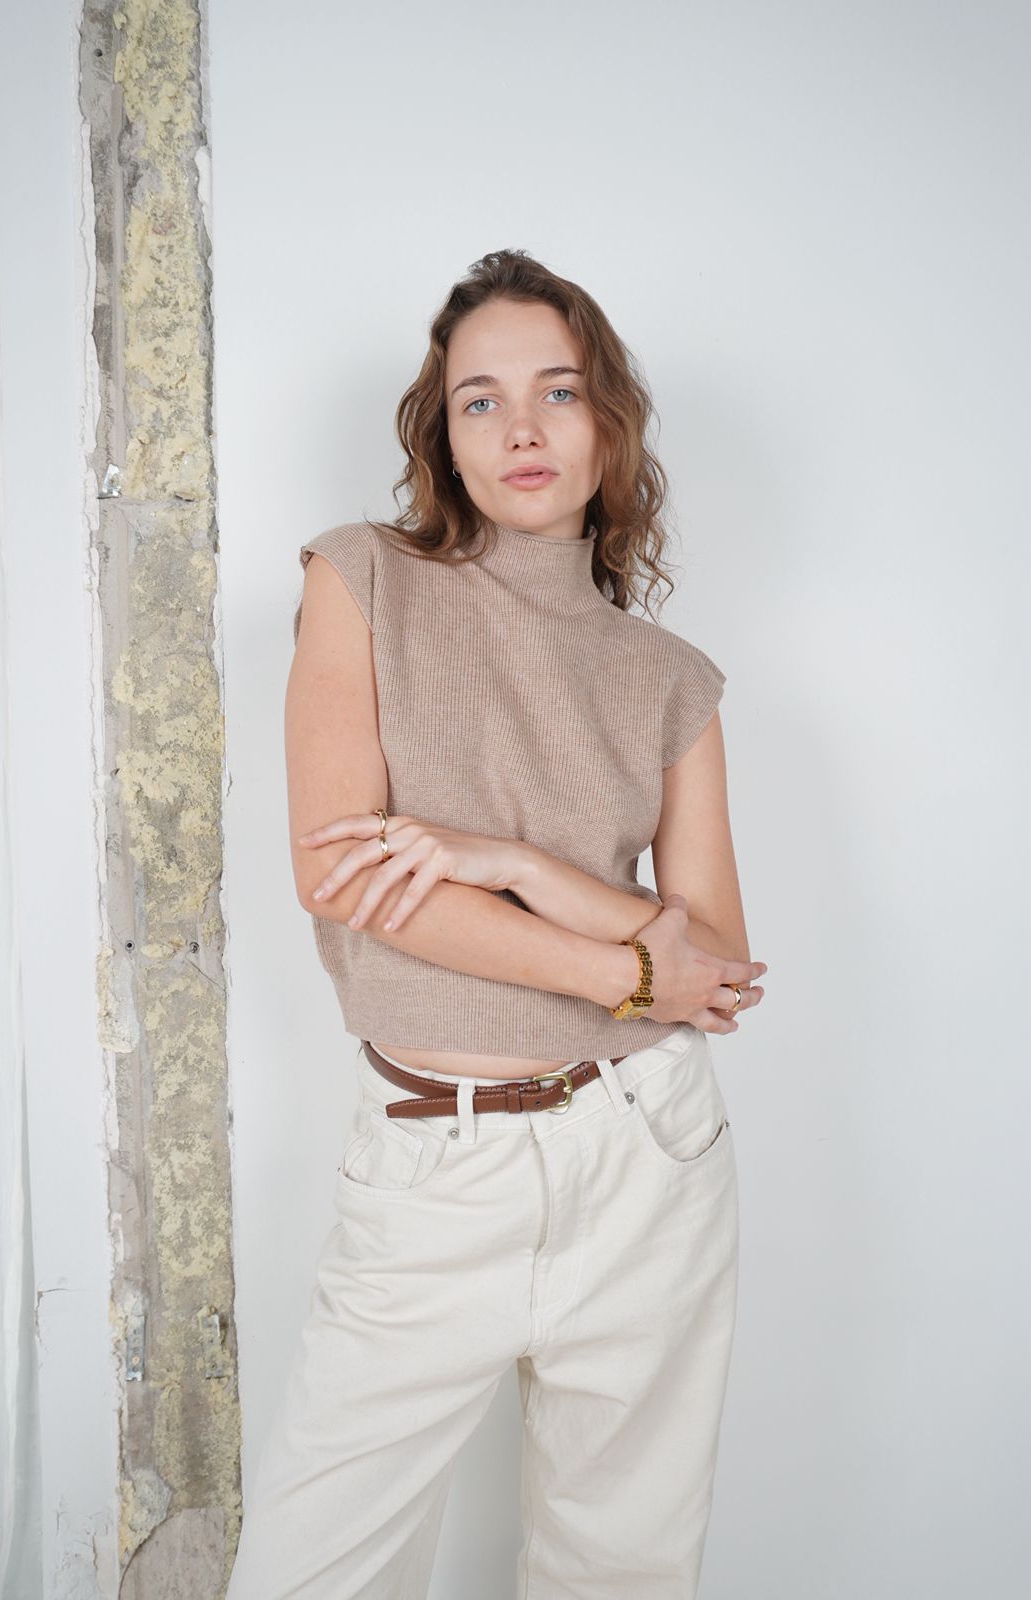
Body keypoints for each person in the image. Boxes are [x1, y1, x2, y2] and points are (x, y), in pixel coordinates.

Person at [226, 248, 767, 1600]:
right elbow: (341, 875)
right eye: (481, 400)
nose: (522, 428)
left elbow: (711, 966)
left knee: (622, 1569)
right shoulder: (360, 578)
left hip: (645, 1155)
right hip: (433, 1164)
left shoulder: (672, 679)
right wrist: (620, 967)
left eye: (557, 392)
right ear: (443, 434)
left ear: (608, 424)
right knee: (307, 1568)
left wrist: (516, 862)